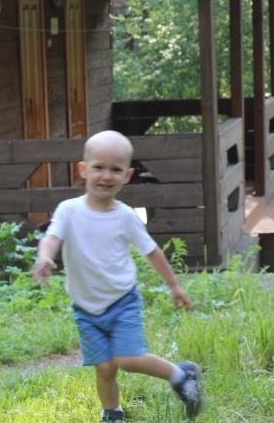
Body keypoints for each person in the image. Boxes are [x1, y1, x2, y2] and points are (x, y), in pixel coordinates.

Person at [31, 130, 204, 421]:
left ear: (128, 175)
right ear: (83, 169)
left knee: (128, 360)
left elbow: (152, 251)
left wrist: (174, 285)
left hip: (123, 301)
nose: (106, 176)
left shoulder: (125, 216)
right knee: (105, 368)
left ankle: (182, 376)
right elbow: (51, 238)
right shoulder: (68, 210)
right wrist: (44, 256)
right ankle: (112, 412)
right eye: (98, 167)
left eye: (115, 169)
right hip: (85, 308)